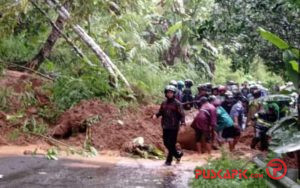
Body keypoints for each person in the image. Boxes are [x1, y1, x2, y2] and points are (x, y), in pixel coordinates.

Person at [153, 85, 186, 166]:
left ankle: (169, 161)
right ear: (166, 93)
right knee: (165, 142)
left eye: (171, 92)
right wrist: (156, 115)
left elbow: (182, 115)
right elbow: (161, 112)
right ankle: (178, 155)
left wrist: (182, 124)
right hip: (165, 126)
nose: (169, 94)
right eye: (168, 92)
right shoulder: (164, 103)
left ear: (174, 94)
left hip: (174, 127)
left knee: (171, 143)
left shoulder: (177, 104)